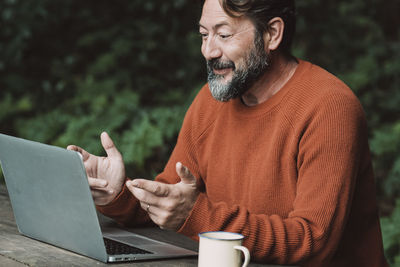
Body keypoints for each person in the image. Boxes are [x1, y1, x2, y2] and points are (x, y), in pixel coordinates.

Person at [68, 0, 388, 265]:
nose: (208, 51)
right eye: (203, 35)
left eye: (223, 35)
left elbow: (314, 241)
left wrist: (199, 215)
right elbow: (172, 199)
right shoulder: (210, 102)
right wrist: (118, 195)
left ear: (272, 34)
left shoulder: (329, 106)